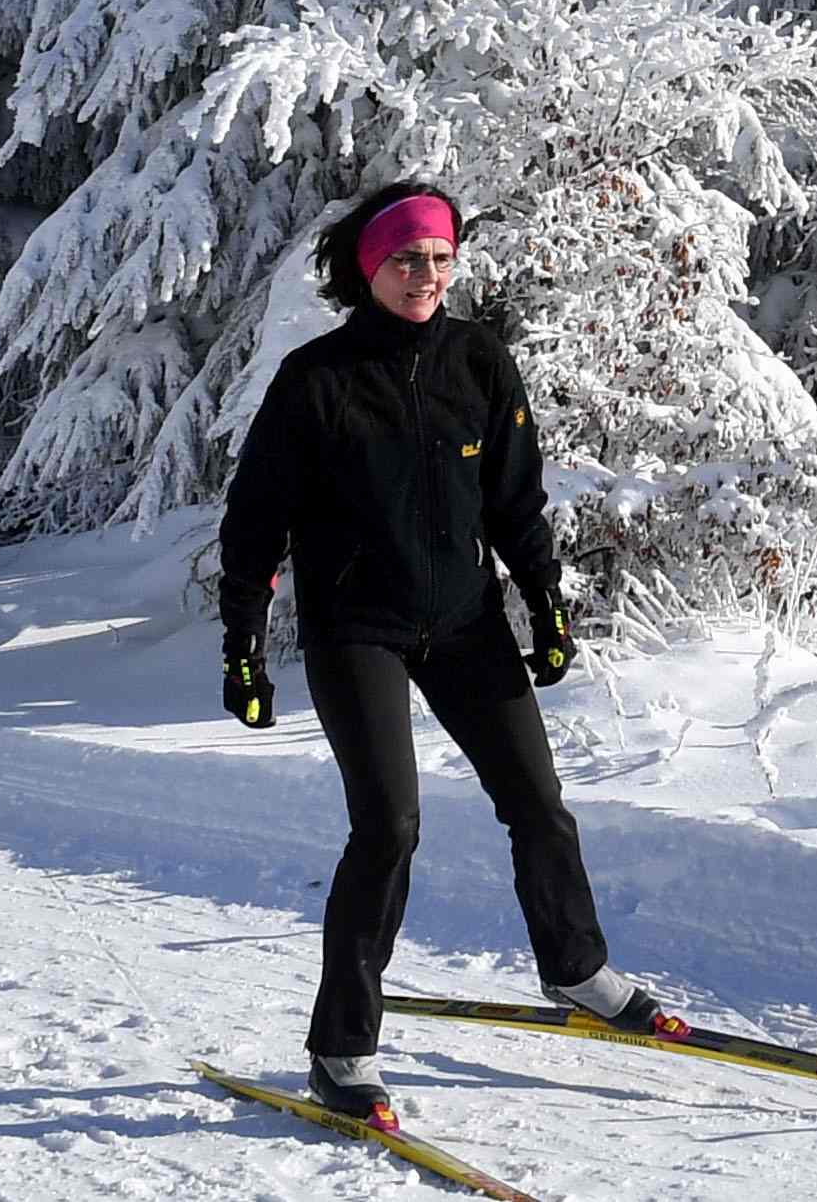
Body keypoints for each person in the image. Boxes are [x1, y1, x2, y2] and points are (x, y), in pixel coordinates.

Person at [215, 181, 683, 1129]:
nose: (424, 274)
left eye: (438, 257)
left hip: (465, 619)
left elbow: (515, 498)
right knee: (388, 825)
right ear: (367, 268)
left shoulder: (479, 358)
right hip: (359, 626)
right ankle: (341, 1048)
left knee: (538, 803)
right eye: (404, 260)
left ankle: (577, 968)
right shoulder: (317, 380)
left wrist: (545, 599)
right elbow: (256, 522)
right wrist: (243, 645)